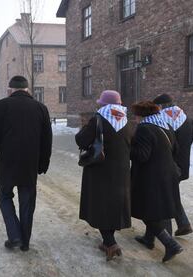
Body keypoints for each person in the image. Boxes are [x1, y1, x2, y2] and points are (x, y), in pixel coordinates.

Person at [0, 76, 52, 252]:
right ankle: (25, 242)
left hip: (7, 164)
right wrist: (43, 163)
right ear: (27, 90)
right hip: (30, 164)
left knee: (5, 197)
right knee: (27, 202)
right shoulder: (41, 108)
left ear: (10, 90)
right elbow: (46, 140)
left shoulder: (0, 106)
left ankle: (14, 235)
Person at [75, 90, 132, 261]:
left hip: (100, 170)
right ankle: (108, 242)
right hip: (121, 171)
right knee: (113, 206)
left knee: (100, 205)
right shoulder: (127, 120)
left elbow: (82, 140)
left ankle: (110, 243)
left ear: (103, 105)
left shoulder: (98, 119)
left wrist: (85, 127)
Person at [131, 101, 183, 263]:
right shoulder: (166, 126)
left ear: (142, 115)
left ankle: (170, 244)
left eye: (136, 116)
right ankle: (148, 239)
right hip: (168, 174)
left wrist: (128, 146)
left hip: (150, 178)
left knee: (146, 210)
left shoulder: (144, 129)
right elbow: (176, 150)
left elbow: (142, 155)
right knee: (154, 208)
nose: (135, 119)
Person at [154, 94, 193, 236]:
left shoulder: (161, 121)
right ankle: (184, 224)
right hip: (182, 165)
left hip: (167, 166)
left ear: (160, 106)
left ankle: (166, 233)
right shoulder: (187, 119)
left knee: (165, 197)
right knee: (172, 193)